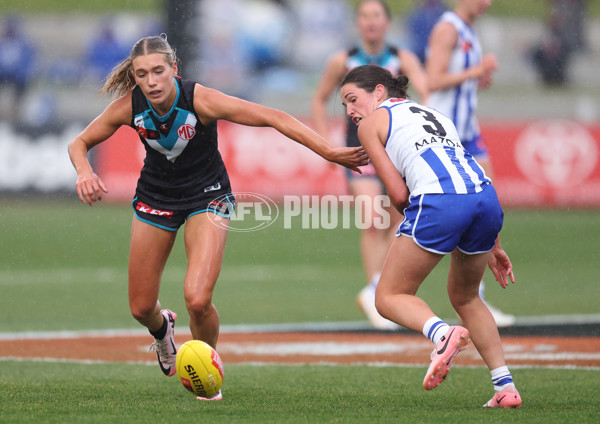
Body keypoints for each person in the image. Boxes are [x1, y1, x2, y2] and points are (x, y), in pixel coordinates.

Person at [67, 34, 367, 401]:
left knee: (197, 298)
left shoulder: (201, 99)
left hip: (207, 197)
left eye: (158, 71)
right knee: (141, 307)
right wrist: (84, 171)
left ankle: (204, 376)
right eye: (142, 74)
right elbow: (78, 142)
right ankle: (164, 332)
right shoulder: (129, 107)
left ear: (174, 70)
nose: (151, 81)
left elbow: (274, 116)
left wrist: (331, 151)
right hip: (155, 197)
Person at [340, 64, 521, 408]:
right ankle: (505, 387)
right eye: (345, 105)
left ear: (379, 92)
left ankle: (442, 334)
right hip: (485, 199)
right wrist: (494, 242)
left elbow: (396, 194)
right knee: (467, 297)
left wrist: (422, 224)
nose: (350, 111)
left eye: (352, 99)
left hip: (440, 201)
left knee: (388, 296)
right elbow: (469, 168)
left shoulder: (372, 124)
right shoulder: (434, 113)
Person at [312, 0, 428, 330]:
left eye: (376, 15)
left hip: (394, 150)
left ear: (387, 22)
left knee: (400, 218)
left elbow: (425, 90)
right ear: (358, 23)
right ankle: (376, 294)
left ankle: (379, 286)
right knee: (372, 220)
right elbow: (319, 99)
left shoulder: (401, 58)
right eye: (364, 16)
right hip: (359, 150)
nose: (371, 22)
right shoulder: (343, 60)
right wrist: (328, 146)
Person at [425, 0, 515, 327]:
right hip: (447, 134)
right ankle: (389, 286)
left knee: (488, 207)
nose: (489, 3)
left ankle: (478, 298)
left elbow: (454, 80)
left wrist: (475, 81)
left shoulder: (468, 30)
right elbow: (432, 80)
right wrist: (475, 71)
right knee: (460, 212)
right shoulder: (448, 28)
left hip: (468, 131)